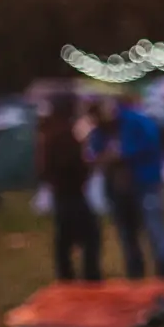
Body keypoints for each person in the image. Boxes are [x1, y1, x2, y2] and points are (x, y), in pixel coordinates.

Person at [88, 95, 164, 279]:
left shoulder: (136, 121)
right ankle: (135, 271)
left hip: (145, 182)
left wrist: (123, 154)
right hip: (117, 187)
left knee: (154, 226)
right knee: (126, 231)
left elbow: (152, 143)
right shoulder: (99, 130)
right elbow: (96, 153)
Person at [37, 95, 103, 282]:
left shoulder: (47, 134)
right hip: (72, 193)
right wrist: (87, 166)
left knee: (64, 239)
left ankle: (65, 277)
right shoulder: (64, 135)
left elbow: (44, 169)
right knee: (90, 236)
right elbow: (72, 164)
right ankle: (90, 278)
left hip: (61, 193)